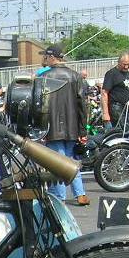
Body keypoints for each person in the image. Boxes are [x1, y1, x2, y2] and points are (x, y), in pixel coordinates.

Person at [39, 45, 89, 206]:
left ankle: (59, 197)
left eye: (45, 56)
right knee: (71, 160)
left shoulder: (44, 77)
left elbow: (38, 104)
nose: (44, 59)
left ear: (51, 57)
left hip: (52, 126)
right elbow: (83, 105)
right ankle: (80, 194)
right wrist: (83, 129)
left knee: (58, 162)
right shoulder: (75, 76)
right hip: (73, 126)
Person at [101, 53, 129, 130]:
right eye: (124, 64)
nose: (126, 66)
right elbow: (104, 93)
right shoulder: (112, 73)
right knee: (122, 131)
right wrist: (105, 114)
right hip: (115, 107)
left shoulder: (128, 73)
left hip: (126, 108)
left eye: (128, 64)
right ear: (119, 62)